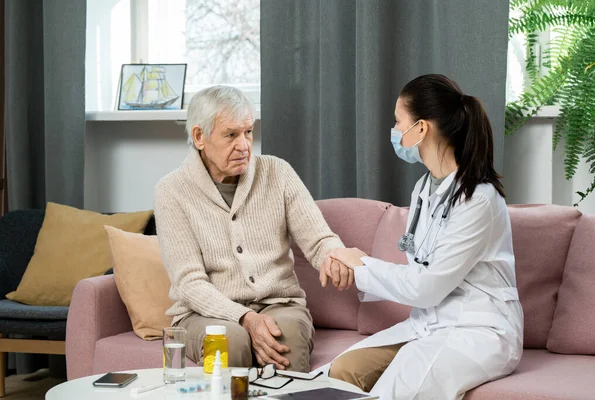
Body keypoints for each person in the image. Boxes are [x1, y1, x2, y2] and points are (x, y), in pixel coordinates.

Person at [324, 74, 524, 399]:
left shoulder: (478, 200)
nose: (394, 131)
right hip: (429, 324)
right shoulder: (423, 189)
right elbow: (420, 274)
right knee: (338, 373)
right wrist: (356, 266)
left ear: (420, 128)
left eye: (397, 121)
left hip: (479, 330)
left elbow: (425, 287)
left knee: (396, 390)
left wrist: (359, 263)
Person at [154, 86, 350, 373]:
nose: (244, 145)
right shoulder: (171, 191)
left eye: (248, 132)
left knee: (285, 340)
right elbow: (188, 282)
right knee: (229, 342)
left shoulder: (277, 172)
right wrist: (244, 317)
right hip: (202, 314)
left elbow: (320, 240)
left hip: (279, 303)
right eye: (231, 135)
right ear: (199, 137)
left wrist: (334, 258)